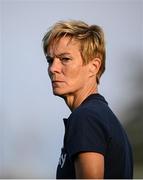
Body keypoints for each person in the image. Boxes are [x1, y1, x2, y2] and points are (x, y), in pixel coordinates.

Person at [42, 20, 133, 179]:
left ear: (94, 66)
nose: (53, 68)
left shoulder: (86, 118)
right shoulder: (101, 117)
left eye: (65, 59)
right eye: (50, 60)